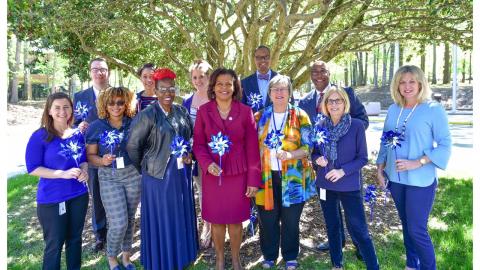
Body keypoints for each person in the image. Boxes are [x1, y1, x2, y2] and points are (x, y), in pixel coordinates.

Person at [376, 65, 451, 270]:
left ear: (420, 83)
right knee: (407, 226)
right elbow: (385, 141)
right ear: (396, 85)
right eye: (402, 81)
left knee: (417, 229)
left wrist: (418, 162)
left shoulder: (433, 110)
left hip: (421, 179)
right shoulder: (393, 109)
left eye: (412, 81)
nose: (407, 86)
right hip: (396, 179)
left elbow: (445, 144)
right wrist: (379, 168)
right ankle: (412, 265)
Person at [126, 68, 198, 270]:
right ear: (155, 91)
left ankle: (182, 255)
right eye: (163, 89)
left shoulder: (181, 111)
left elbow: (190, 136)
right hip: (157, 177)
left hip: (181, 174)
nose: (168, 93)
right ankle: (163, 259)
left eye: (171, 88)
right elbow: (132, 146)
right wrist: (146, 167)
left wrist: (189, 152)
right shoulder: (147, 115)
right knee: (164, 218)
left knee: (180, 213)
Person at [193, 68, 261, 270]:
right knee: (216, 220)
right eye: (219, 84)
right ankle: (220, 260)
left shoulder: (246, 112)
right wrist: (206, 163)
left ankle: (237, 259)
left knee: (235, 220)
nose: (224, 88)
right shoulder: (204, 112)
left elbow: (252, 149)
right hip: (213, 175)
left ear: (235, 87)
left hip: (238, 175)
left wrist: (253, 180)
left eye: (228, 84)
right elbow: (198, 144)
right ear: (213, 87)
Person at [298, 60, 368, 256]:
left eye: (323, 71)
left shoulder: (346, 94)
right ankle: (336, 241)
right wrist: (315, 154)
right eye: (314, 72)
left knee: (353, 211)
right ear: (309, 75)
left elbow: (362, 121)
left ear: (329, 73)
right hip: (323, 170)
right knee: (329, 209)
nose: (318, 75)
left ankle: (360, 244)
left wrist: (342, 136)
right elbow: (307, 135)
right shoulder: (305, 101)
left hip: (347, 166)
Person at [312, 86, 379, 270]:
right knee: (333, 228)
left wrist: (342, 171)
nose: (334, 104)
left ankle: (373, 266)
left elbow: (363, 158)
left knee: (359, 229)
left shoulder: (356, 125)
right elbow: (314, 153)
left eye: (338, 101)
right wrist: (317, 159)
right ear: (325, 104)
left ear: (345, 103)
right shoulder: (320, 127)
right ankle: (337, 265)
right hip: (325, 186)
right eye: (330, 101)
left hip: (349, 185)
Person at [254, 75, 316, 270]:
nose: (279, 93)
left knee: (290, 220)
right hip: (266, 177)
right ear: (269, 94)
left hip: (294, 178)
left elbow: (309, 148)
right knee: (267, 220)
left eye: (283, 89)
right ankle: (269, 256)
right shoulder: (259, 116)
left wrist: (290, 154)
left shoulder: (300, 115)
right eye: (275, 90)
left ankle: (290, 256)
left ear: (289, 92)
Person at [25, 92, 89, 270]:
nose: (63, 111)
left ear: (72, 110)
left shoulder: (77, 134)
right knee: (55, 244)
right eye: (58, 107)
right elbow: (33, 168)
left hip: (79, 195)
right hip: (53, 199)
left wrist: (85, 171)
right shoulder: (40, 136)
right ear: (50, 111)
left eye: (66, 107)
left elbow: (83, 159)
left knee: (75, 239)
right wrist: (62, 173)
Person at [85, 87, 141, 270]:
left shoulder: (134, 123)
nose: (116, 106)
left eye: (120, 102)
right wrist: (102, 160)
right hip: (109, 177)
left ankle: (126, 257)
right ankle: (111, 257)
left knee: (131, 218)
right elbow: (90, 156)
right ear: (105, 104)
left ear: (126, 103)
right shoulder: (96, 126)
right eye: (111, 102)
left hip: (132, 174)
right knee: (119, 222)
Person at [73, 57, 110, 252]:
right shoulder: (79, 96)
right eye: (95, 69)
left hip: (113, 153)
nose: (99, 73)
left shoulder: (116, 94)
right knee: (96, 194)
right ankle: (100, 234)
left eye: (103, 69)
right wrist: (77, 126)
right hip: (91, 154)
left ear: (108, 72)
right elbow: (70, 122)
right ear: (90, 72)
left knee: (115, 193)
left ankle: (116, 230)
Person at [182, 59, 214, 249]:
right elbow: (185, 130)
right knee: (203, 193)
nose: (198, 80)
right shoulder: (187, 102)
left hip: (218, 154)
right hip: (197, 157)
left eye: (202, 76)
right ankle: (207, 227)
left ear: (209, 77)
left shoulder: (218, 97)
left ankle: (219, 226)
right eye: (195, 77)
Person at [241, 45, 278, 113]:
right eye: (258, 57)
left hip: (277, 123)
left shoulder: (282, 80)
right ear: (254, 59)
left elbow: (290, 106)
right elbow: (242, 109)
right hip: (252, 123)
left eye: (266, 57)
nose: (262, 60)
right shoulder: (245, 83)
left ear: (270, 58)